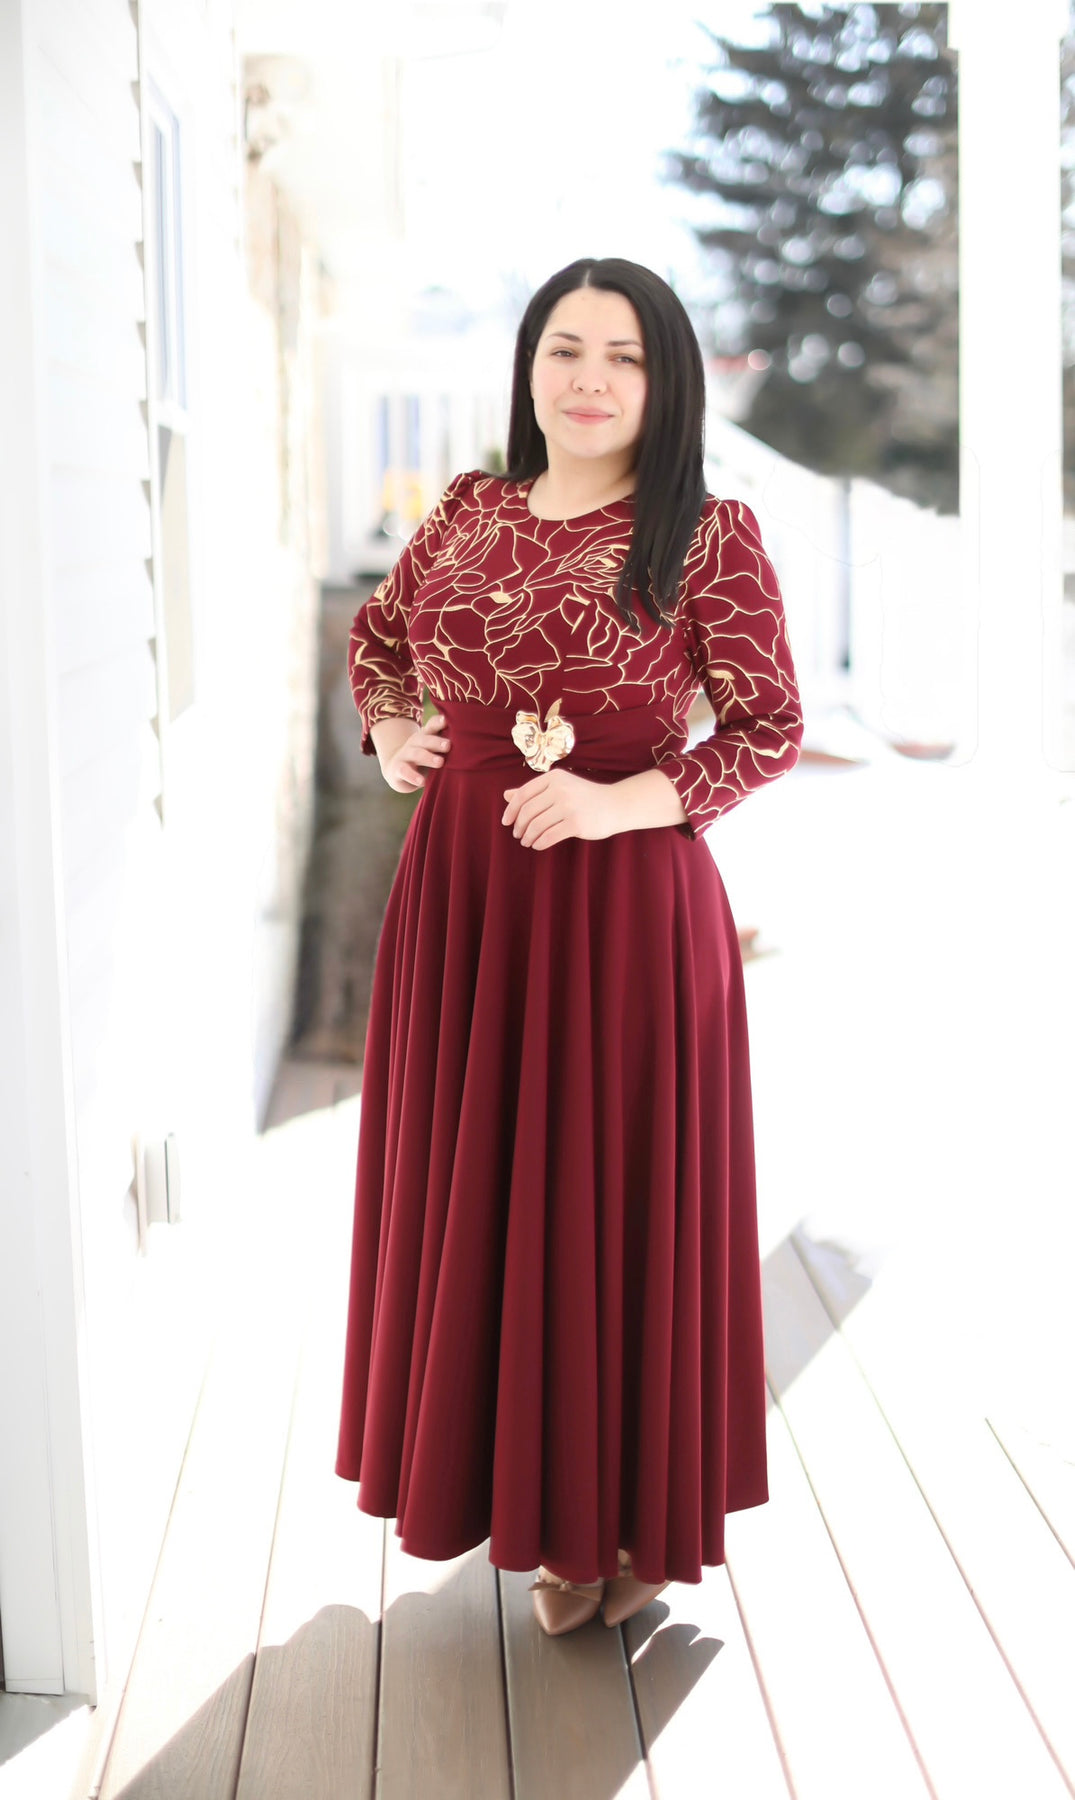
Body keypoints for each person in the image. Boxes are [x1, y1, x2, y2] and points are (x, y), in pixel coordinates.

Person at [335, 256, 804, 1637]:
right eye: (565, 349)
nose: (590, 379)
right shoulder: (470, 510)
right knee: (486, 1192)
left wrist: (616, 802)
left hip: (623, 915)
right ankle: (534, 1511)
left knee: (605, 1200)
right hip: (467, 899)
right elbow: (380, 635)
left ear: (668, 383)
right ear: (529, 367)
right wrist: (391, 729)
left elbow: (769, 727)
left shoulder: (707, 535)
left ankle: (620, 1523)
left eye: (625, 357)